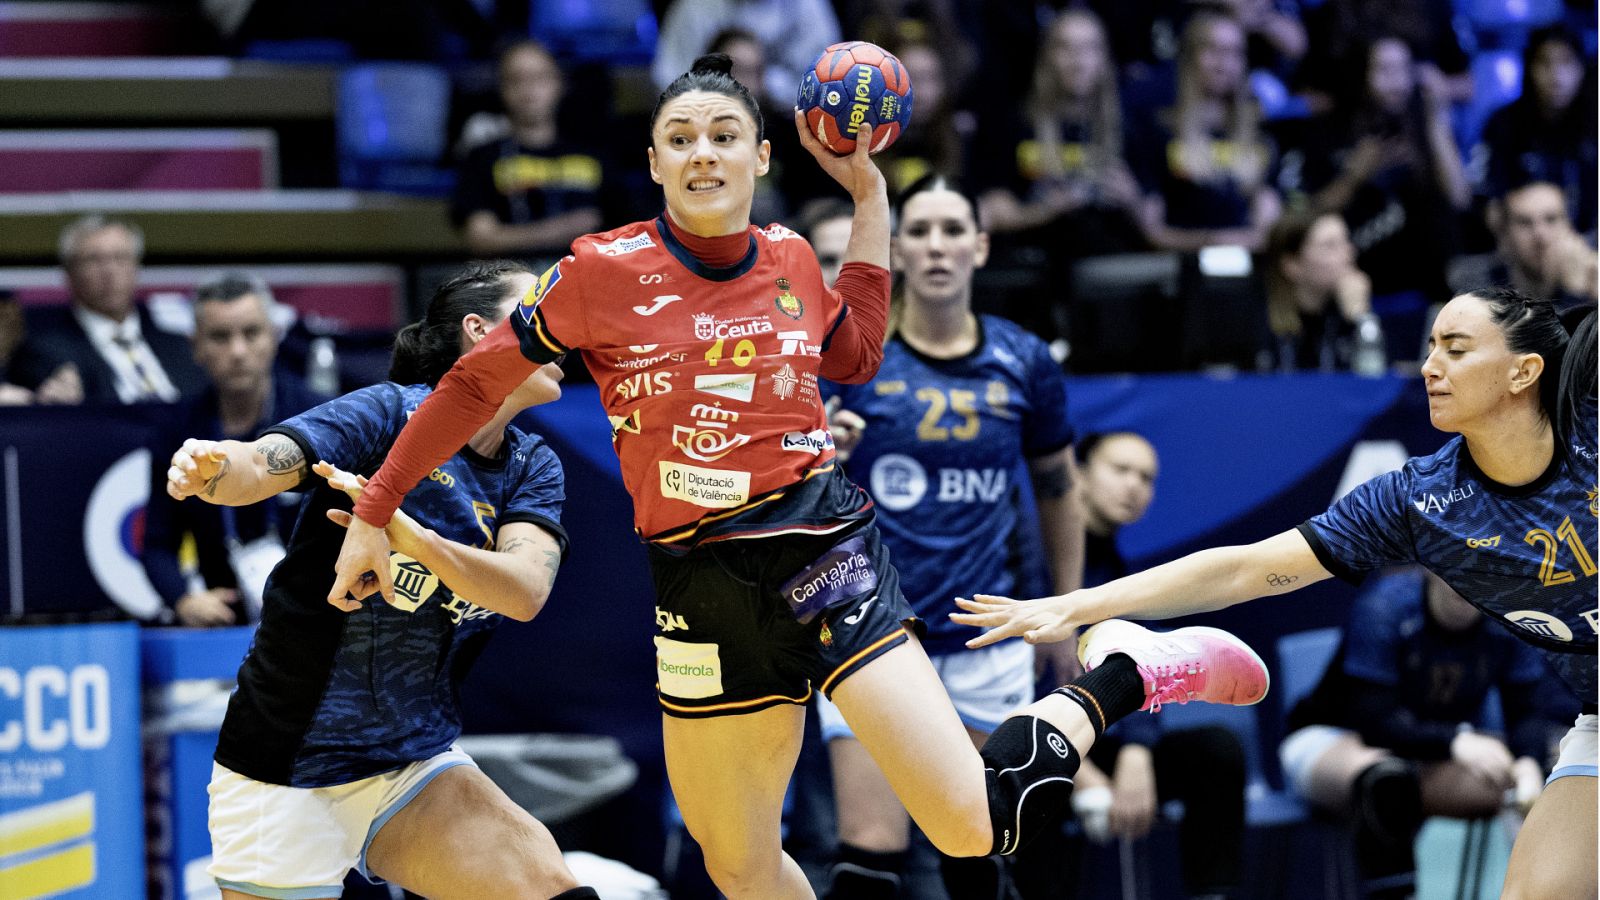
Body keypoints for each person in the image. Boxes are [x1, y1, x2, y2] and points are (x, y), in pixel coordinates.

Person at [328, 55, 1272, 900]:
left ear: (762, 158)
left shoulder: (786, 257)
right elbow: (464, 387)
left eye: (725, 136)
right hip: (695, 586)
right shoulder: (595, 272)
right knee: (735, 863)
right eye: (681, 138)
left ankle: (1123, 678)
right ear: (654, 163)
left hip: (824, 548)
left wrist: (869, 197)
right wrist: (378, 507)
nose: (704, 154)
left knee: (968, 828)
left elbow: (857, 353)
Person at [956, 288, 1599, 900]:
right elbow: (1244, 570)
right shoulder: (1418, 501)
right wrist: (1082, 604)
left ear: (1523, 372)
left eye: (1457, 349)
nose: (1431, 365)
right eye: (1430, 346)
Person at [163, 260, 596, 900]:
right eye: (536, 310)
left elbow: (524, 590)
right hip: (287, 764)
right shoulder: (388, 415)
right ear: (481, 333)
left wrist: (410, 536)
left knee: (552, 892)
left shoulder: (531, 465)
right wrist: (211, 466)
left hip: (411, 764)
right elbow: (262, 464)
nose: (558, 328)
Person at [814, 175, 1085, 899]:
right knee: (869, 857)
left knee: (979, 847)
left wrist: (1067, 611)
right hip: (869, 633)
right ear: (896, 249)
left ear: (981, 246)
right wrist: (823, 455)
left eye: (954, 230)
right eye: (922, 232)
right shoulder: (851, 358)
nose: (938, 246)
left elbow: (1061, 489)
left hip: (981, 636)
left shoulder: (1025, 360)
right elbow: (788, 491)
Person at [1280, 567, 1555, 898]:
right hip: (1334, 737)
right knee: (1388, 780)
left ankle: (1542, 891)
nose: (1465, 579)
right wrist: (1454, 740)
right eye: (1452, 561)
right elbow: (1375, 721)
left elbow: (1525, 710)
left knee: (1550, 781)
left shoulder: (1510, 613)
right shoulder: (1385, 605)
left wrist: (1528, 763)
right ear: (1429, 564)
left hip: (1432, 752)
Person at [1070, 431, 1246, 900]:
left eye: (1146, 478)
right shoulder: (1028, 555)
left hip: (1102, 741)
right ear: (1078, 474)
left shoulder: (1119, 572)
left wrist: (1137, 751)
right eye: (1120, 470)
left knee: (1217, 751)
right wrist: (1080, 775)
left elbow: (1142, 667)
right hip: (1033, 748)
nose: (1134, 486)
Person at [142, 272, 328, 627]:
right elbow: (157, 544)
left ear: (274, 336)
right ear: (195, 345)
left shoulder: (320, 416)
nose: (238, 351)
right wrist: (184, 599)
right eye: (220, 337)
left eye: (251, 333)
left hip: (317, 614)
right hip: (225, 620)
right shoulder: (177, 431)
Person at [1297, 35, 1468, 301]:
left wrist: (1435, 121)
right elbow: (1305, 216)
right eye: (1384, 69)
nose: (1396, 81)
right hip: (1357, 275)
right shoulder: (1329, 131)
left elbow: (1459, 198)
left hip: (1426, 280)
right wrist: (1354, 176)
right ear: (1360, 73)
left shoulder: (1427, 129)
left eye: (1403, 69)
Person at [9, 214, 204, 404]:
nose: (109, 271)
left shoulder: (179, 345)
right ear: (69, 272)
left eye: (120, 257)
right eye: (94, 260)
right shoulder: (45, 353)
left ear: (136, 266)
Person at [1129, 11, 1281, 253]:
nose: (1224, 64)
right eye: (1213, 51)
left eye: (1234, 53)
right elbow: (1152, 232)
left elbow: (1268, 229)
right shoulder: (1158, 131)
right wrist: (1216, 241)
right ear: (1190, 58)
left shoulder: (1260, 135)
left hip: (1247, 266)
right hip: (1179, 266)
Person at [451, 40, 605, 260]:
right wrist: (564, 229)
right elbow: (481, 238)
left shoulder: (594, 157)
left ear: (558, 83)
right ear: (502, 88)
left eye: (538, 78)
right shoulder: (482, 158)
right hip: (513, 284)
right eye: (516, 79)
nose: (528, 89)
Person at [1476, 25, 1596, 233]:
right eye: (1544, 63)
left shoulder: (1595, 122)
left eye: (1566, 62)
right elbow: (1490, 203)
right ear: (1529, 68)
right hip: (1523, 244)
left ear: (1581, 68)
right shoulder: (1504, 123)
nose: (1556, 76)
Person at [1260, 209, 1375, 372]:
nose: (1349, 253)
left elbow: (1380, 383)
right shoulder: (1254, 322)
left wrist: (1361, 317)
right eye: (1330, 245)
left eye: (1346, 241)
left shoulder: (1349, 309)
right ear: (1292, 264)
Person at [1463, 180, 1597, 313]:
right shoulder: (1478, 288)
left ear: (1570, 227)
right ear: (1505, 234)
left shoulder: (1594, 275)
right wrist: (1574, 293)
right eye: (1525, 222)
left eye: (1551, 219)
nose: (1540, 235)